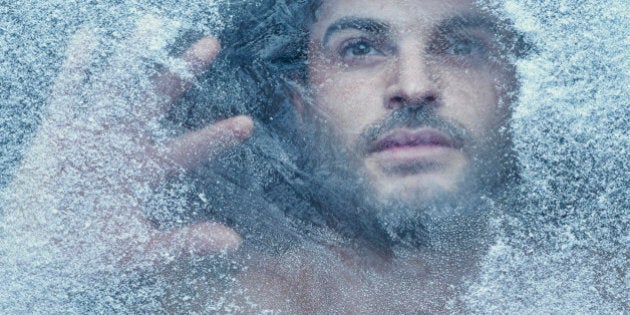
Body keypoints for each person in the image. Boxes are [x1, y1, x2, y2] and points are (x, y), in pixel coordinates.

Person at [1, 0, 528, 312]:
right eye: (360, 48)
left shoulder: (600, 291)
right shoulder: (223, 302)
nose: (413, 86)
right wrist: (34, 265)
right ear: (303, 103)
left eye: (463, 46)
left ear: (519, 90)